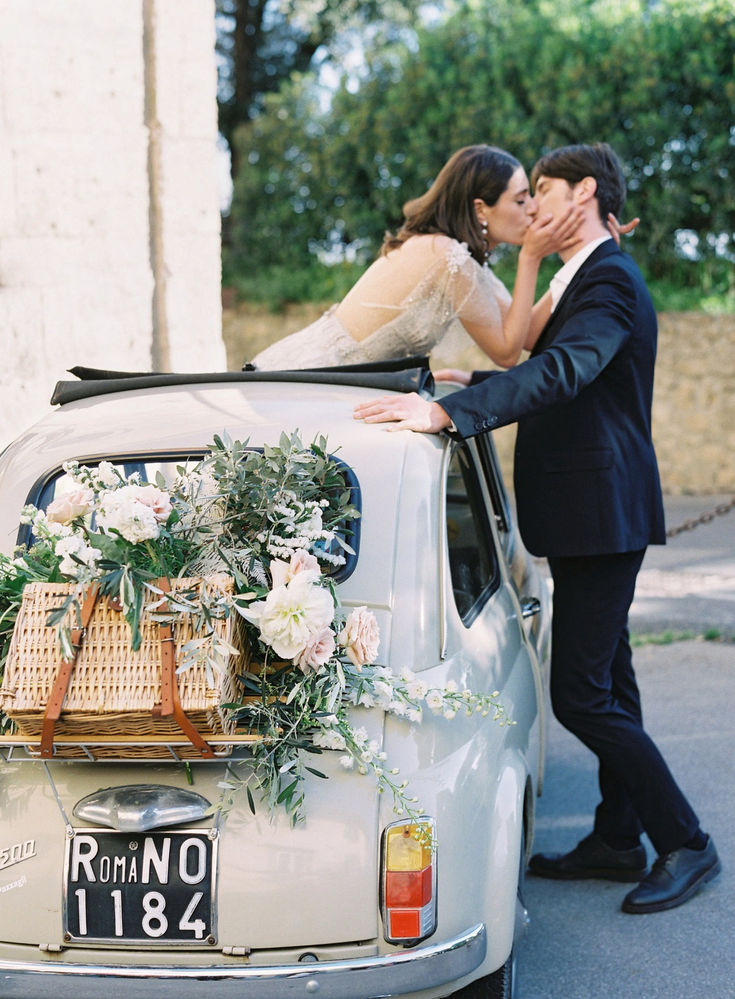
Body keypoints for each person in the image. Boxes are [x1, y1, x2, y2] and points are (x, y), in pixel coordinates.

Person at [354, 142, 720, 915]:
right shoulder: (585, 274)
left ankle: (685, 841)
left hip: (603, 515)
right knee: (609, 682)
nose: (533, 206)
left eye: (544, 189)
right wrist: (476, 380)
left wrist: (449, 413)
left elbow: (566, 371)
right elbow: (560, 375)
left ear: (582, 194)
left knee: (579, 696)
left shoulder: (608, 278)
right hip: (590, 516)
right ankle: (616, 838)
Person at [250, 144, 586, 370]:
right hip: (311, 375)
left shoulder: (464, 261)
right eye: (521, 200)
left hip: (337, 385)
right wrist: (530, 259)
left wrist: (579, 257)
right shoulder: (446, 256)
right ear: (481, 210)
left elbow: (525, 333)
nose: (533, 209)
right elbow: (507, 354)